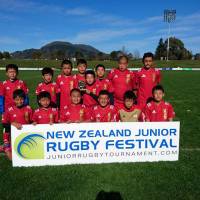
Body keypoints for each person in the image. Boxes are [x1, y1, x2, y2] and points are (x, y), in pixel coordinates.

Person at [1, 89, 33, 160]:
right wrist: (12, 123)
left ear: (24, 99)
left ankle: (4, 146)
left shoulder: (29, 109)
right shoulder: (9, 110)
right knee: (12, 159)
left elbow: (32, 121)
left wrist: (34, 122)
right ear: (14, 100)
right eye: (17, 99)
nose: (19, 101)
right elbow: (4, 125)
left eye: (21, 99)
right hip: (12, 135)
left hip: (25, 134)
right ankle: (5, 146)